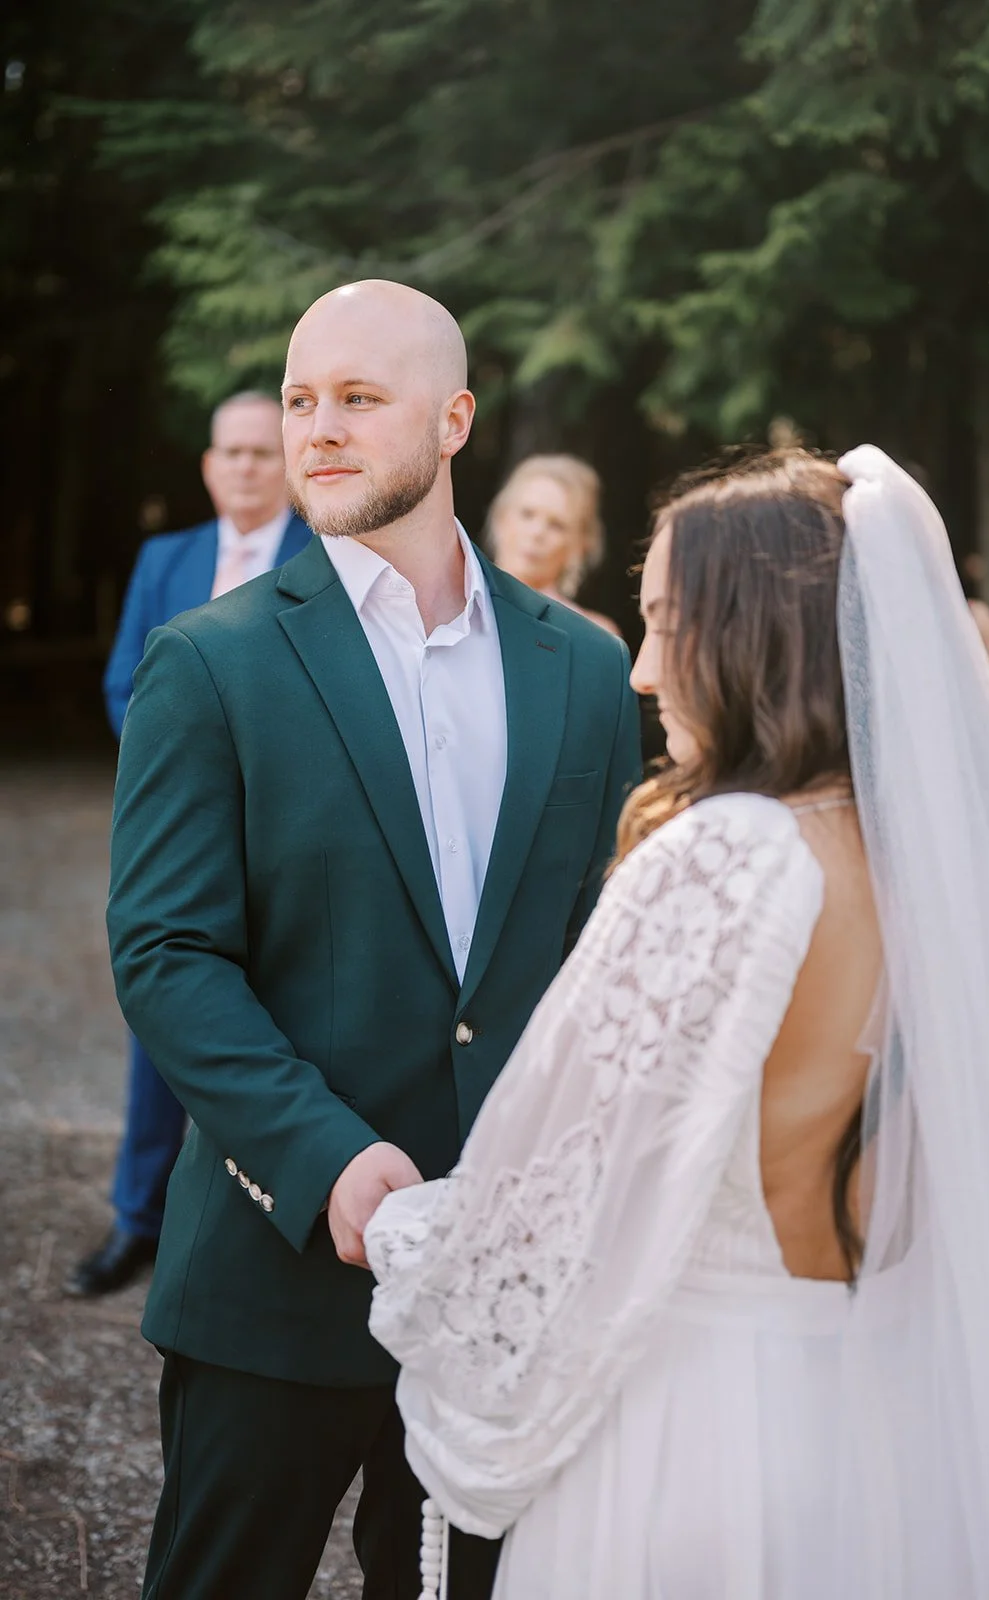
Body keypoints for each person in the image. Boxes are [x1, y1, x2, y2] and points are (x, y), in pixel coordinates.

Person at [367, 447, 989, 1598]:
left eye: (668, 626)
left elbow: (554, 1196)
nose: (643, 673)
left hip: (687, 1428)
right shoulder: (930, 869)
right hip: (856, 1408)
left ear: (757, 636)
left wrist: (396, 1224)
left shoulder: (729, 856)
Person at [106, 279, 641, 1600]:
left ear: (454, 421)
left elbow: (598, 952)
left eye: (358, 397)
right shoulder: (210, 660)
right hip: (275, 1276)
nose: (318, 428)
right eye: (301, 400)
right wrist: (323, 1156)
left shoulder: (582, 669)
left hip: (503, 1300)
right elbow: (167, 953)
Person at [67, 392, 310, 1299]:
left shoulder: (323, 556)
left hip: (283, 829)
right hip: (177, 831)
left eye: (261, 452)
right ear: (208, 466)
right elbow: (122, 685)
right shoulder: (164, 560)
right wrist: (182, 775)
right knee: (163, 1014)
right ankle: (138, 1218)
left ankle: (256, 1225)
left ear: (286, 465)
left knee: (278, 1018)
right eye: (230, 452)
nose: (245, 466)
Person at [485, 455, 622, 636]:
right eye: (527, 514)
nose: (537, 533)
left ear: (580, 545)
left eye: (556, 525)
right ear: (501, 518)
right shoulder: (455, 604)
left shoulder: (596, 635)